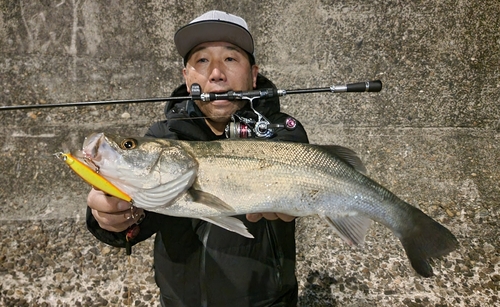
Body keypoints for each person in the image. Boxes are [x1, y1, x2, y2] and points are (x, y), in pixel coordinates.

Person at [86, 10, 309, 307]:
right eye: (202, 61)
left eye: (230, 58)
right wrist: (115, 217)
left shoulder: (282, 132)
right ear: (187, 76)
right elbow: (142, 212)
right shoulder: (162, 137)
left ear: (253, 74)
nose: (216, 72)